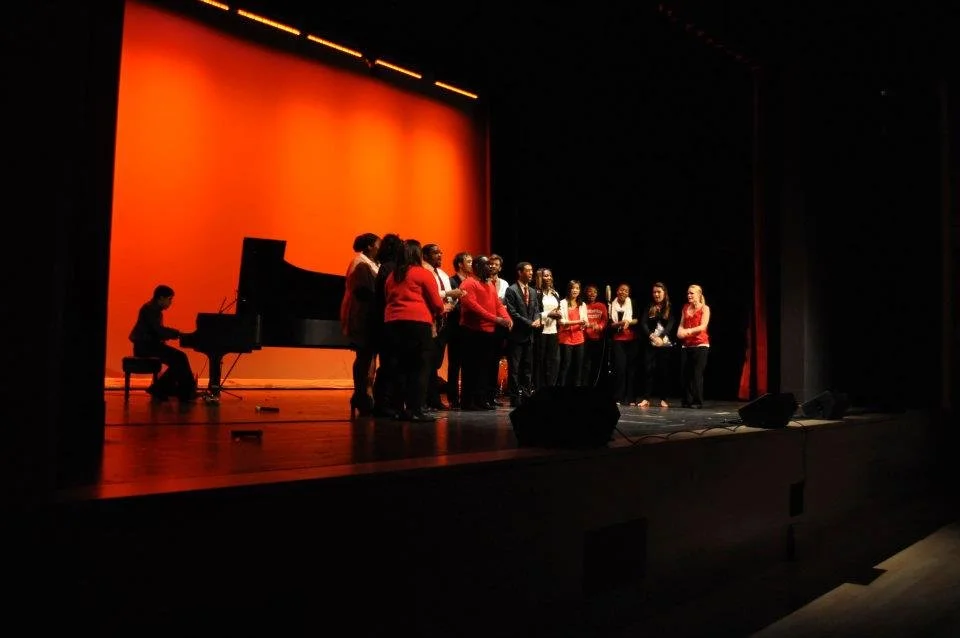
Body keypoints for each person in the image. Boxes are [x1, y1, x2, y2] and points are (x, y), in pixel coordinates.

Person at [128, 284, 196, 401]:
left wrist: (174, 334)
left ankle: (180, 390)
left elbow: (157, 331)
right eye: (169, 299)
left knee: (179, 359)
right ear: (161, 298)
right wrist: (178, 334)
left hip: (149, 346)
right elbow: (158, 330)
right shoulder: (150, 310)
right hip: (145, 348)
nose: (170, 302)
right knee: (180, 358)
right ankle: (178, 391)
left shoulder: (153, 309)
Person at [340, 233, 380, 417]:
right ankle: (360, 394)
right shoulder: (360, 264)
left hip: (369, 316)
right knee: (363, 356)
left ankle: (365, 395)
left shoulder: (371, 263)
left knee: (368, 356)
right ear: (370, 246)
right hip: (362, 316)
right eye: (379, 244)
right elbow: (364, 292)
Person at [638, 282, 677, 408]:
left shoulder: (669, 306)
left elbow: (671, 323)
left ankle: (664, 398)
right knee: (648, 370)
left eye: (659, 292)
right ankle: (646, 398)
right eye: (654, 292)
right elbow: (643, 323)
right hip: (650, 342)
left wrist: (660, 338)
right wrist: (651, 336)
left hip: (664, 343)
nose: (656, 294)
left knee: (663, 371)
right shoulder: (649, 306)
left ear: (664, 293)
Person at [677, 283, 711, 408]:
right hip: (687, 345)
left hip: (700, 344)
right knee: (685, 374)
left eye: (691, 293)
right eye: (688, 293)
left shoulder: (705, 308)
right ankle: (687, 400)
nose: (689, 295)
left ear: (699, 294)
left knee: (697, 374)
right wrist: (680, 331)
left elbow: (703, 326)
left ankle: (697, 401)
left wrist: (689, 331)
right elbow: (681, 324)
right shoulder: (685, 307)